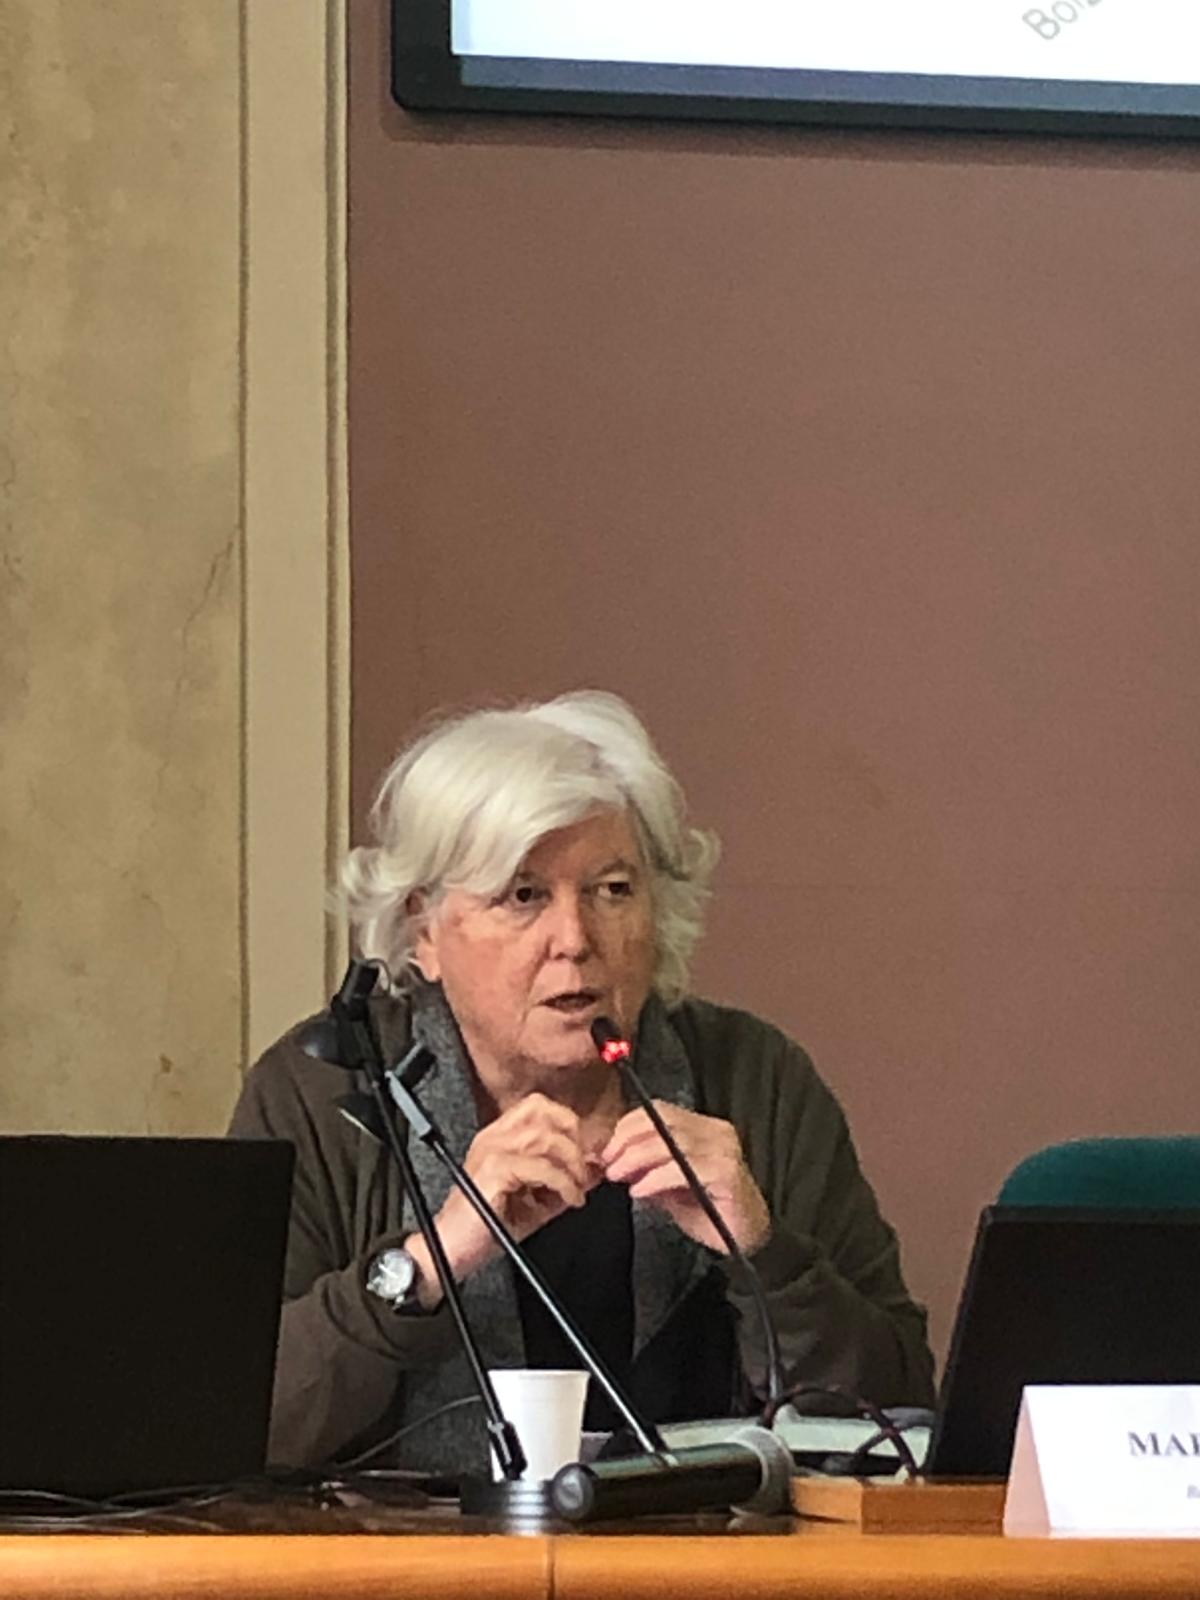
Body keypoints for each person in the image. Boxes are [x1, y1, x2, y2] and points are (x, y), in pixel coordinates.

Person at [230, 691, 935, 1473]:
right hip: (397, 1544)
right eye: (524, 895)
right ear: (424, 929)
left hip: (705, 1544)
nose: (574, 940)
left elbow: (902, 1420)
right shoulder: (325, 1092)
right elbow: (230, 1422)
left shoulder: (754, 1080)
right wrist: (433, 1259)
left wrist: (764, 1256)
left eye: (613, 891)